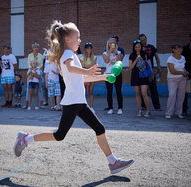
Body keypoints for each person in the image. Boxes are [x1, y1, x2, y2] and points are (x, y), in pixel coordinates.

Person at [13, 21, 134, 174]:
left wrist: (104, 77)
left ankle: (113, 162)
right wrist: (87, 71)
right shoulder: (68, 54)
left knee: (99, 128)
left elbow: (82, 79)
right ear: (67, 40)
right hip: (72, 102)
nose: (80, 41)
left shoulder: (71, 55)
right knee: (59, 135)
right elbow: (72, 69)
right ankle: (25, 139)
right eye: (78, 37)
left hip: (79, 102)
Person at [165, 44, 189, 119]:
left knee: (181, 96)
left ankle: (179, 113)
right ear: (173, 50)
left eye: (181, 48)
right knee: (172, 95)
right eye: (178, 48)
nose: (179, 50)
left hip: (182, 79)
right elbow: (172, 71)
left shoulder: (183, 58)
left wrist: (186, 72)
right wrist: (182, 73)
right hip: (172, 79)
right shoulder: (170, 58)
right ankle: (169, 113)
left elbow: (183, 68)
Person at [139, 34, 162, 111]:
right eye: (141, 40)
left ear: (146, 39)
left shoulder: (151, 47)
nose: (143, 41)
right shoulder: (138, 48)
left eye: (144, 39)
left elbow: (157, 58)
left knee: (153, 89)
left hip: (151, 70)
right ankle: (144, 106)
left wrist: (158, 67)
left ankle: (157, 106)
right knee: (143, 89)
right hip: (142, 71)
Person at [129, 40, 151, 117]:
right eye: (136, 47)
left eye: (139, 46)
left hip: (144, 75)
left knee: (144, 93)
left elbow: (149, 65)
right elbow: (130, 68)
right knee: (137, 94)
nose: (138, 48)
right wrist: (135, 60)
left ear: (141, 47)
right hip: (135, 76)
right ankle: (140, 110)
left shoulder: (145, 54)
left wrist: (142, 60)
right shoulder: (132, 55)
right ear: (134, 48)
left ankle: (148, 111)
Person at [103, 37, 123, 115]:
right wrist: (109, 53)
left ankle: (120, 108)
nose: (112, 44)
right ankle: (110, 107)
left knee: (118, 91)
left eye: (113, 43)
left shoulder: (119, 52)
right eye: (110, 43)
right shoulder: (105, 53)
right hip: (108, 74)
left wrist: (115, 53)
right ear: (108, 44)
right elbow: (107, 61)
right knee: (109, 91)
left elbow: (119, 61)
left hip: (117, 73)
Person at [23, 42, 44, 109]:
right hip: (30, 73)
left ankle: (41, 104)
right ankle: (27, 104)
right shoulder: (30, 55)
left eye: (37, 47)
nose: (36, 48)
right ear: (32, 48)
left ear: (38, 48)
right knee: (28, 90)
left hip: (38, 73)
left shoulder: (40, 56)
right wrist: (31, 69)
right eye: (34, 47)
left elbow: (41, 65)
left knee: (39, 89)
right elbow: (29, 63)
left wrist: (35, 70)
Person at [80, 42, 97, 113]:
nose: (89, 50)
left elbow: (94, 66)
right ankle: (84, 107)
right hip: (84, 76)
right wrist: (88, 67)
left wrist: (87, 67)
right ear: (85, 49)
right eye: (87, 48)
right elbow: (82, 67)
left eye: (90, 48)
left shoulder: (94, 57)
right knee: (84, 92)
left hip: (92, 76)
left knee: (90, 92)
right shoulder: (81, 58)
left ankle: (91, 107)